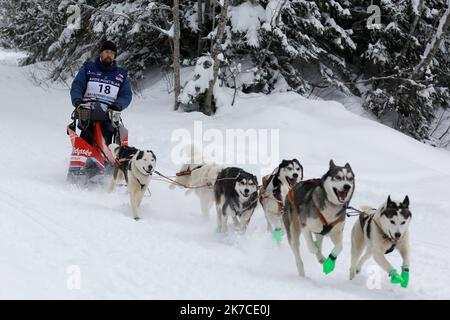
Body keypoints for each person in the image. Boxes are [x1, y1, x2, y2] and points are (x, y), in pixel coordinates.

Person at [70, 40, 132, 145]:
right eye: (107, 51)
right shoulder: (88, 68)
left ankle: (104, 159)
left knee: (105, 146)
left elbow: (126, 94)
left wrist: (118, 105)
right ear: (101, 53)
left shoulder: (122, 74)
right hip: (88, 114)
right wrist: (77, 100)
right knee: (85, 143)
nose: (109, 55)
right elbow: (77, 86)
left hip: (108, 116)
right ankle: (81, 157)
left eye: (112, 53)